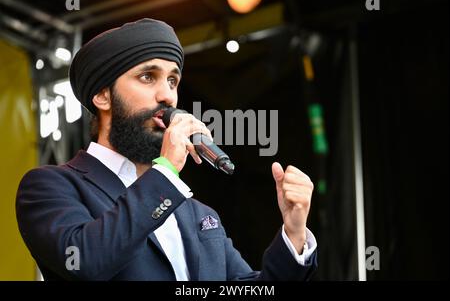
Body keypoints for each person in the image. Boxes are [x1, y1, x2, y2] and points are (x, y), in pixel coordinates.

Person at [16, 18, 317, 281]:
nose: (168, 96)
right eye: (148, 77)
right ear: (102, 95)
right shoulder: (50, 186)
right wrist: (167, 172)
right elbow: (86, 262)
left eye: (173, 80)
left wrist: (293, 234)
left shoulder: (196, 212)